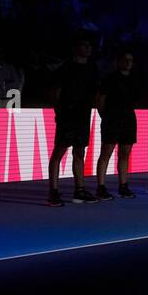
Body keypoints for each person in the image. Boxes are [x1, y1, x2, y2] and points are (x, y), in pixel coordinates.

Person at [46, 35, 100, 206]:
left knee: (79, 152)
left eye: (89, 46)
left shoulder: (92, 69)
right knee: (59, 152)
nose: (87, 48)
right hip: (67, 116)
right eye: (84, 45)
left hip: (83, 116)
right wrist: (59, 112)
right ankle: (53, 192)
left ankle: (79, 190)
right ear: (75, 48)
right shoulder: (65, 69)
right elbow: (55, 92)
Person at [94, 48, 140, 199]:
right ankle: (101, 187)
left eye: (131, 60)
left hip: (129, 119)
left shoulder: (134, 79)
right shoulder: (109, 78)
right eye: (125, 59)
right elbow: (100, 100)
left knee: (125, 154)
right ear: (118, 61)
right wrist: (106, 117)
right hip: (112, 119)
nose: (128, 63)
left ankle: (123, 186)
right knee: (106, 153)